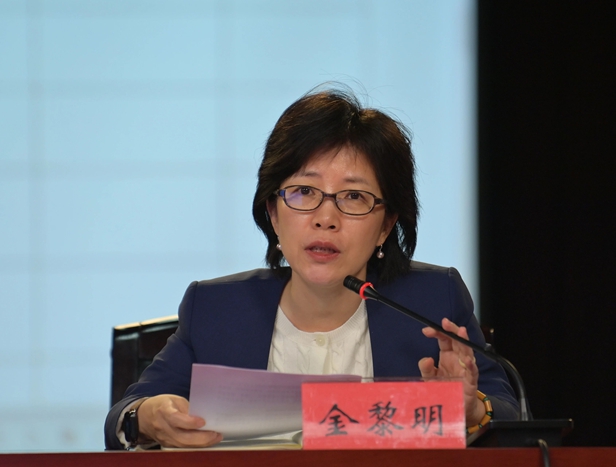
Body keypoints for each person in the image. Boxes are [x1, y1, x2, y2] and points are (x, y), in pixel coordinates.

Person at [104, 87, 519, 450]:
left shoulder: (431, 302)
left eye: (354, 196)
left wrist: (471, 409)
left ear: (385, 226)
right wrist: (147, 417)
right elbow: (125, 415)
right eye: (304, 191)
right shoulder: (216, 308)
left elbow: (511, 414)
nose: (326, 218)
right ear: (273, 212)